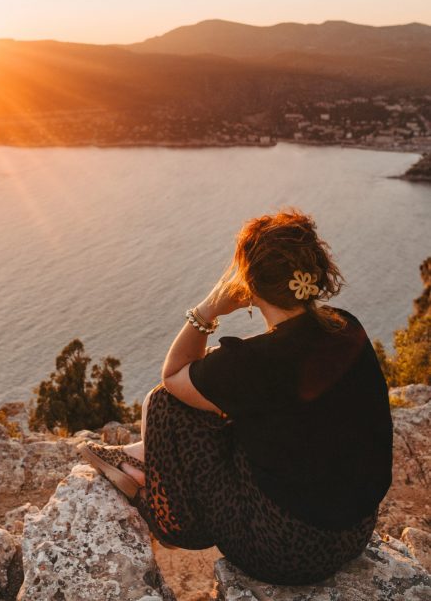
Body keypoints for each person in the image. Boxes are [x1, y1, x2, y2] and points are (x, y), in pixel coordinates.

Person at [78, 208, 393, 585]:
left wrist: (208, 309)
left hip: (286, 553)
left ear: (250, 283)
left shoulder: (256, 362)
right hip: (355, 530)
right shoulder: (346, 326)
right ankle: (140, 456)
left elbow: (174, 375)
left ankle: (163, 505)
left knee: (165, 401)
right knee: (220, 384)